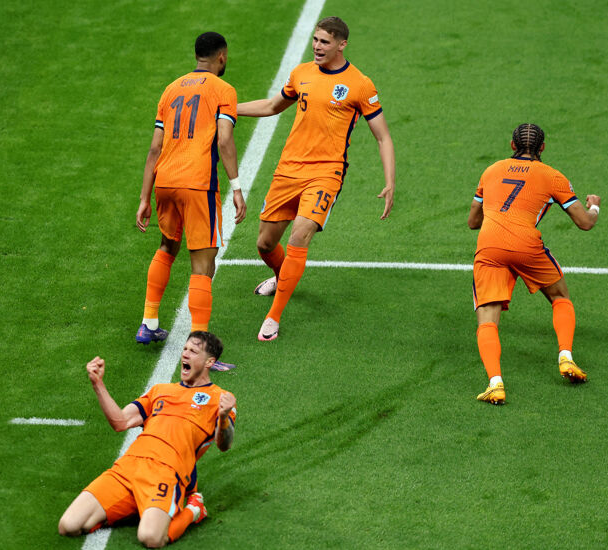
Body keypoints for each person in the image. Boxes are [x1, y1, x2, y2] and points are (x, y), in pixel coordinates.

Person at [236, 16, 395, 341]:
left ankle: (273, 317)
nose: (317, 46)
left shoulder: (360, 84)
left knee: (300, 235)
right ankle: (283, 277)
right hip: (288, 170)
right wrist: (227, 108)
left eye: (324, 41)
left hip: (326, 172)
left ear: (341, 44)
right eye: (315, 40)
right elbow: (271, 105)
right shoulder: (301, 73)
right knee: (265, 244)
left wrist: (390, 181)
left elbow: (383, 137)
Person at [58, 331, 237, 547]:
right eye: (185, 349)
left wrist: (224, 416)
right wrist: (98, 384)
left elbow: (224, 445)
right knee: (68, 525)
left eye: (193, 351)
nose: (185, 355)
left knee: (151, 538)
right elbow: (120, 422)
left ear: (210, 361)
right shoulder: (160, 390)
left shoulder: (220, 399)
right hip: (127, 468)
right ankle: (138, 506)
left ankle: (193, 510)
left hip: (166, 473)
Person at [135, 31, 246, 367]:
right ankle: (200, 346)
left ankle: (149, 323)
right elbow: (224, 141)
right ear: (222, 56)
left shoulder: (170, 89)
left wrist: (144, 197)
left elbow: (155, 147)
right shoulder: (223, 90)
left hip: (165, 180)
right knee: (203, 263)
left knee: (168, 245)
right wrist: (237, 187)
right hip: (198, 184)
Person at [468, 123, 601, 405]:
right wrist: (594, 205)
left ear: (512, 146)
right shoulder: (552, 176)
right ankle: (565, 357)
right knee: (559, 297)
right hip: (526, 245)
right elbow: (585, 222)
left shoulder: (490, 170)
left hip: (489, 247)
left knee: (487, 318)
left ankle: (495, 383)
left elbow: (473, 222)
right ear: (542, 148)